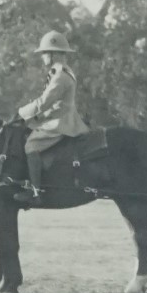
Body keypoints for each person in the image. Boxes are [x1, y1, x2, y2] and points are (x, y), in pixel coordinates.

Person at [15, 30, 93, 198]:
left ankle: (36, 192)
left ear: (54, 54)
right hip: (55, 117)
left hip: (60, 122)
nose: (42, 57)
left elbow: (44, 102)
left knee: (31, 146)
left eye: (44, 53)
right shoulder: (60, 71)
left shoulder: (60, 76)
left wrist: (21, 113)